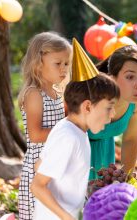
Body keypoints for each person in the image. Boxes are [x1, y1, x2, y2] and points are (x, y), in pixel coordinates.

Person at [30, 39, 120, 219]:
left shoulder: (74, 130)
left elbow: (40, 164)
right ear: (87, 107)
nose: (113, 115)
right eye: (109, 107)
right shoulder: (69, 137)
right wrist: (68, 217)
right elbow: (37, 186)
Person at [17, 32, 71, 220]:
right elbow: (36, 135)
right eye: (58, 63)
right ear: (39, 64)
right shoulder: (34, 94)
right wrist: (67, 132)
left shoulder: (57, 93)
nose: (63, 69)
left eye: (66, 63)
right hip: (39, 166)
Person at [89, 45, 137, 179]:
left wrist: (126, 178)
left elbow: (131, 138)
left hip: (105, 158)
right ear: (112, 77)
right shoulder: (93, 94)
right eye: (130, 77)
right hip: (76, 160)